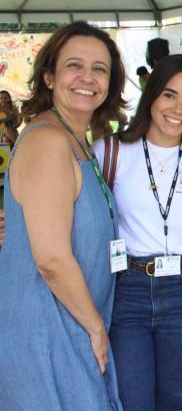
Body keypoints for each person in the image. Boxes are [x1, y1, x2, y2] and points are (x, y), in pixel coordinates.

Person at [0, 21, 126, 410]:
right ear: (50, 77)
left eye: (100, 69)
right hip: (49, 326)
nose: (87, 77)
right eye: (75, 65)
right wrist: (95, 328)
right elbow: (52, 259)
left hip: (72, 318)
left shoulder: (77, 140)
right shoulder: (49, 141)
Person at [94, 54, 182, 411]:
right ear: (151, 95)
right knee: (132, 397)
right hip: (127, 287)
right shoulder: (109, 151)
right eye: (169, 94)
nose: (177, 108)